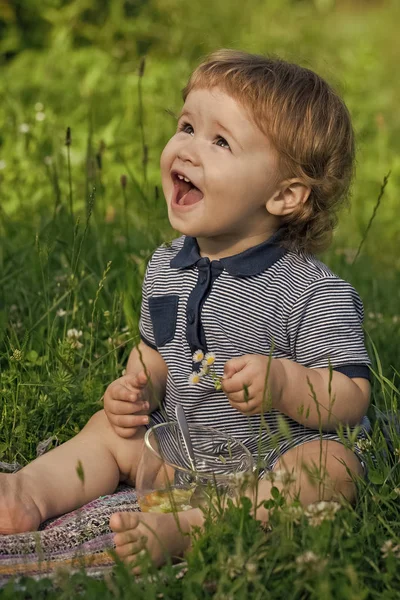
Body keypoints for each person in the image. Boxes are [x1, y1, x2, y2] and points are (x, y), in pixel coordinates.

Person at [0, 49, 371, 572]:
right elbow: (154, 356)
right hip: (181, 451)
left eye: (220, 141)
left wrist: (285, 384)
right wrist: (136, 391)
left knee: (332, 469)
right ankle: (25, 492)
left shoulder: (312, 290)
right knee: (109, 432)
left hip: (270, 459)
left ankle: (191, 527)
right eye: (187, 126)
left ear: (285, 194)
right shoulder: (167, 264)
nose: (188, 149)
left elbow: (352, 397)